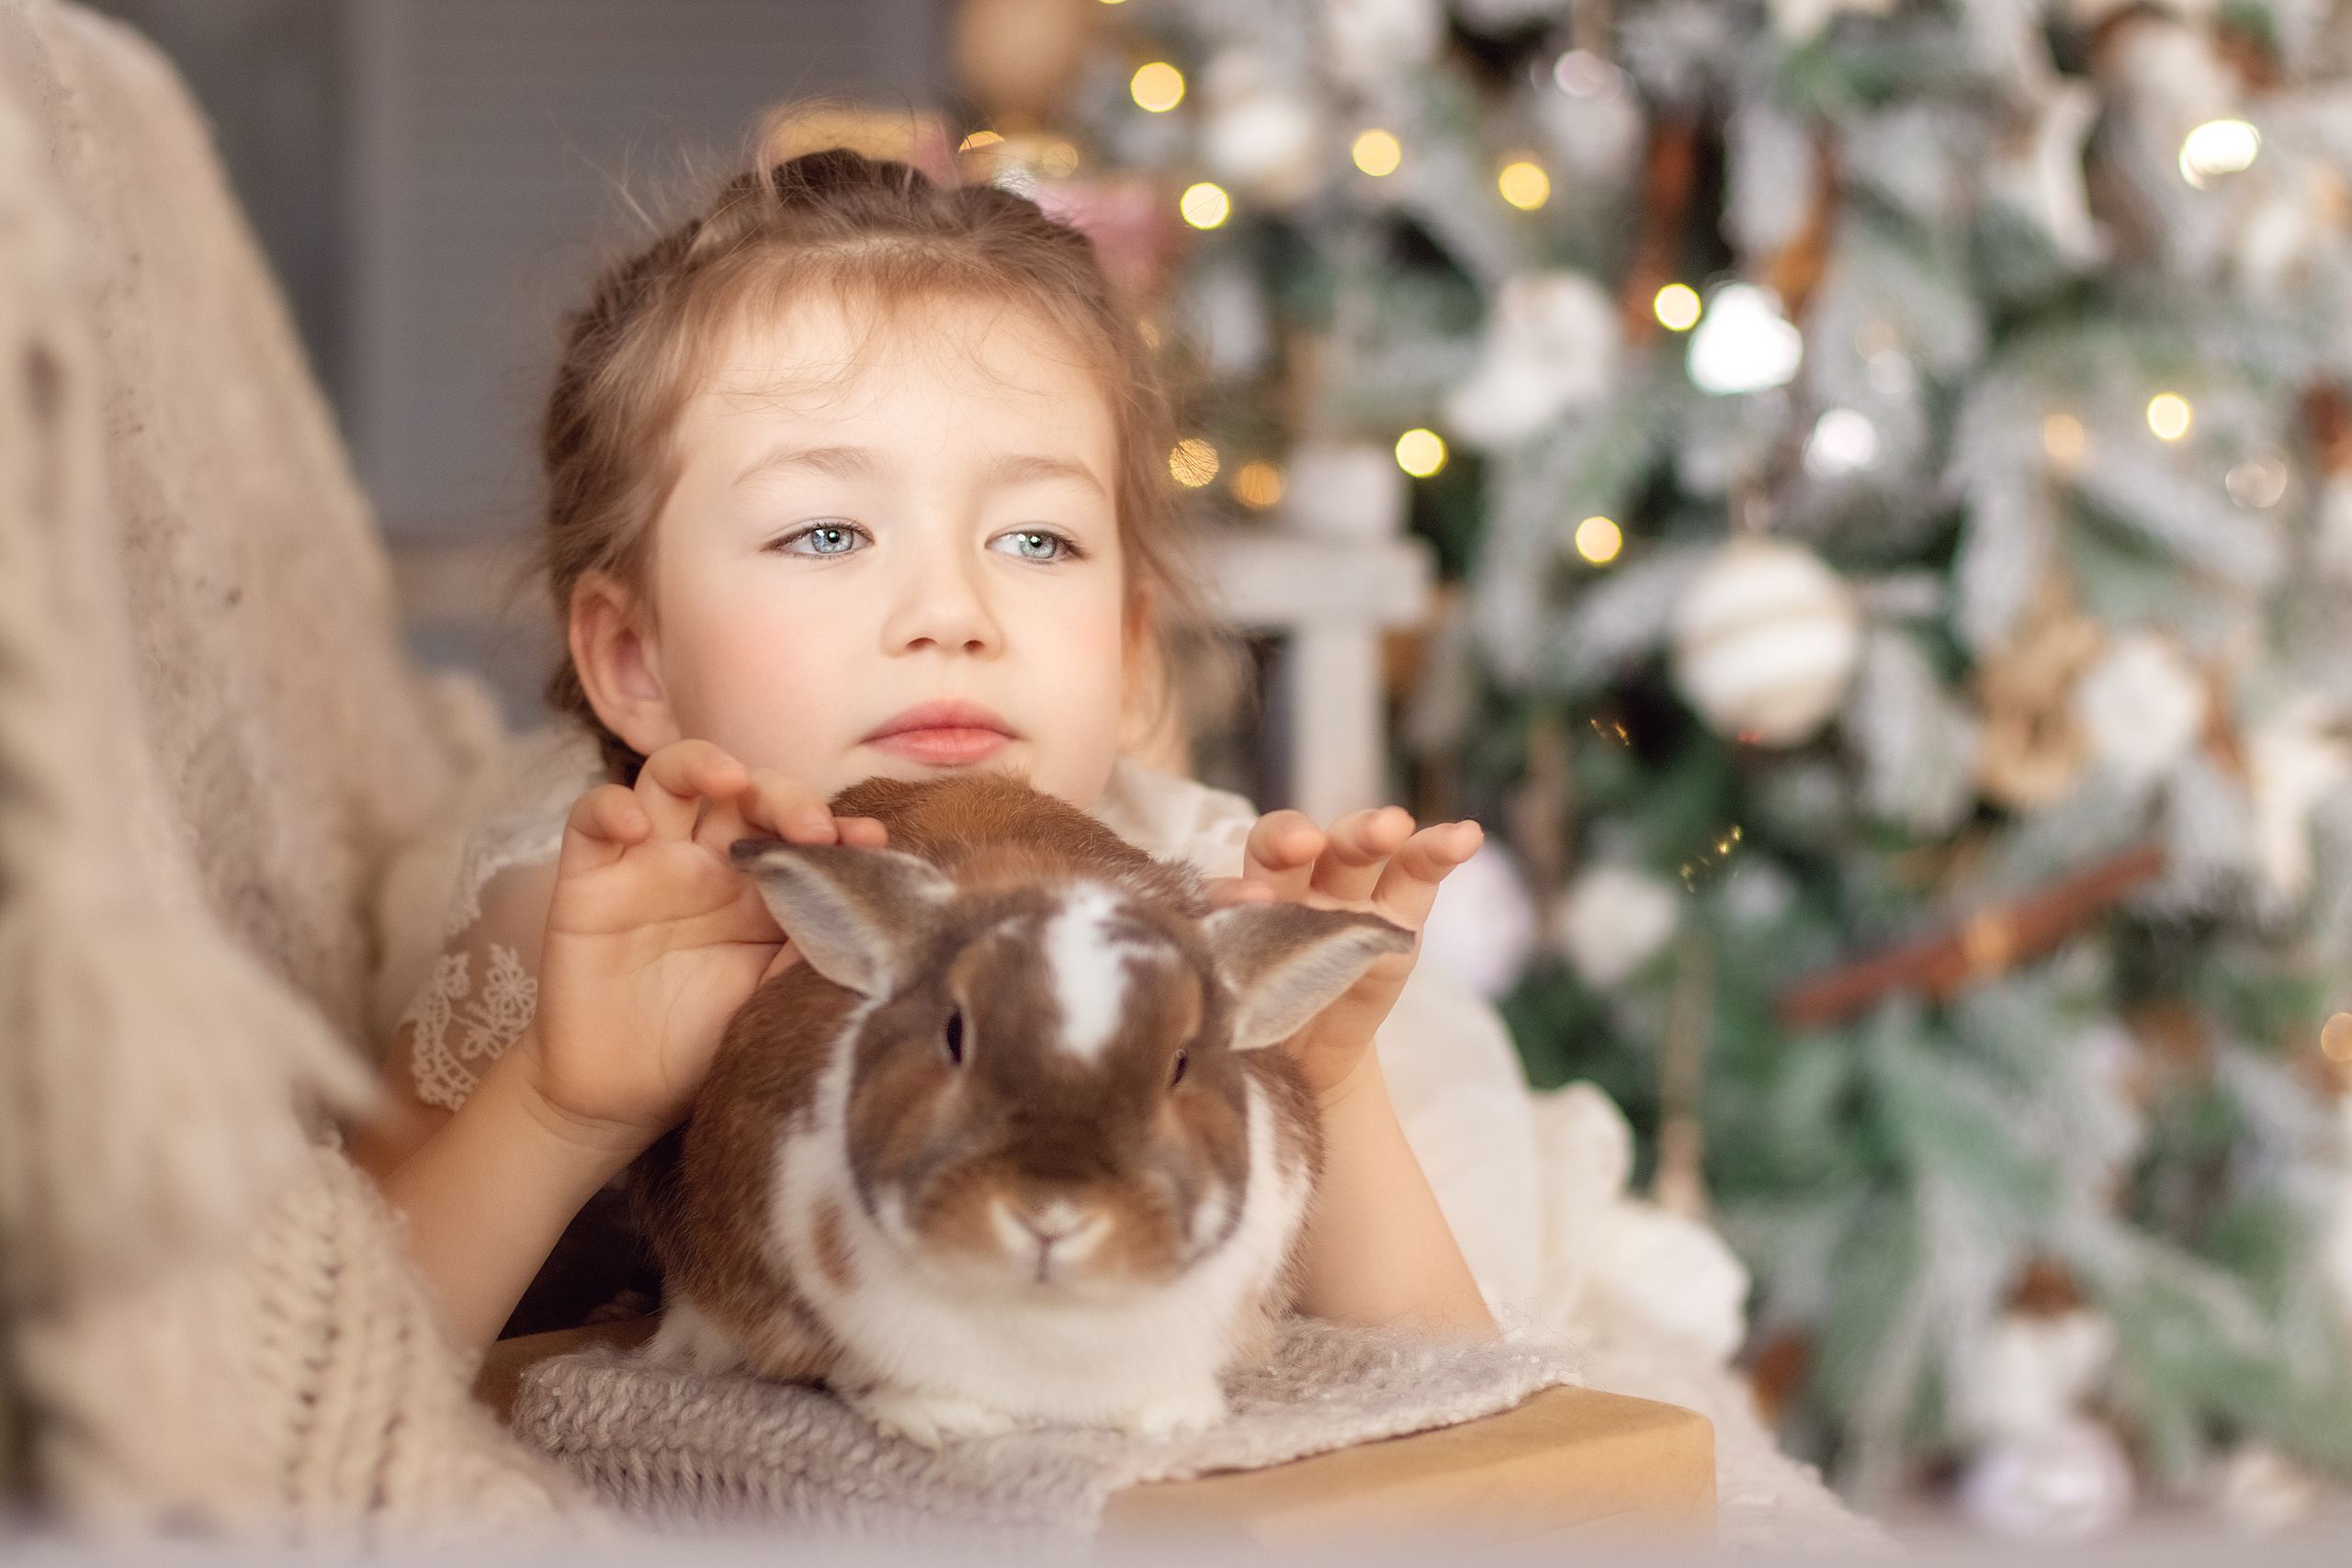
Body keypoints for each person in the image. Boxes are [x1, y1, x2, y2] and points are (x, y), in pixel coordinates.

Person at [349, 141, 1506, 1354]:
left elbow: (1455, 1414)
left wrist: (1321, 1083)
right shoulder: (577, 936)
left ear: (1123, 649)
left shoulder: (1202, 918)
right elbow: (315, 1388)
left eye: (1037, 542)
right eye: (829, 533)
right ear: (635, 661)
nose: (951, 613)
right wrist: (559, 1111)